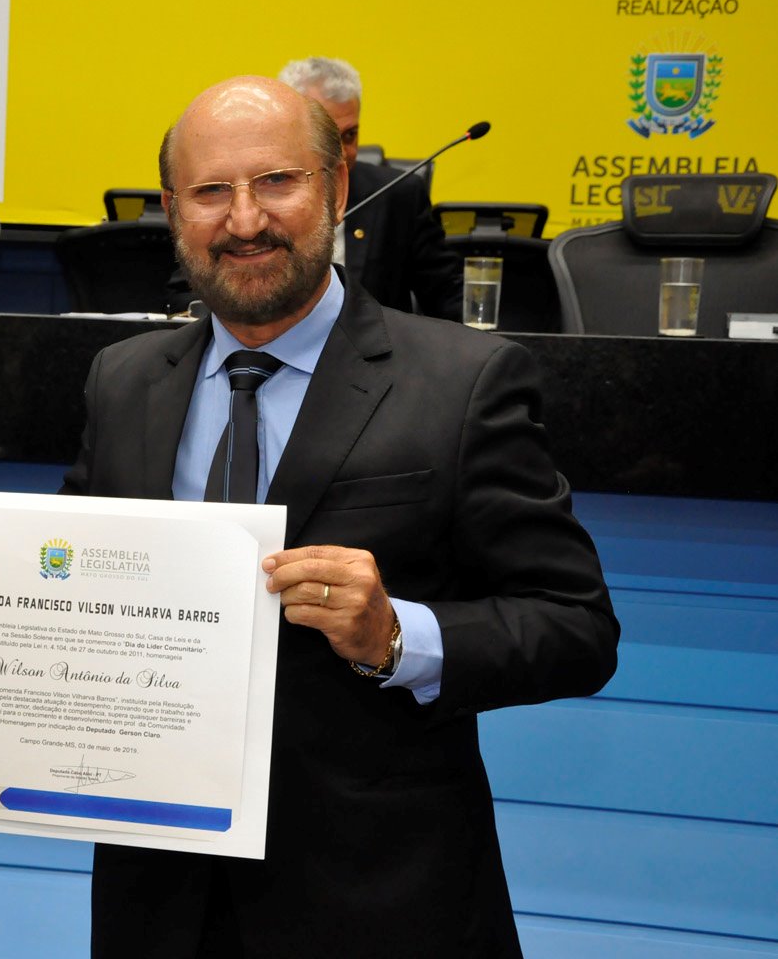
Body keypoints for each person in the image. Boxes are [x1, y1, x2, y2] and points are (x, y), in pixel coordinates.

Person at [63, 75, 618, 957]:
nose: (245, 220)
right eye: (210, 192)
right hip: (159, 899)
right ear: (171, 210)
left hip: (380, 899)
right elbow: (58, 583)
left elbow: (577, 627)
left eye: (276, 181)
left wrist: (398, 637)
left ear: (337, 187)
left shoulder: (463, 383)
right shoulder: (122, 379)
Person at [276, 55, 462, 320]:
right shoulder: (253, 200)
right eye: (328, 136)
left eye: (350, 135)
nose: (342, 153)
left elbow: (448, 301)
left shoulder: (397, 195)